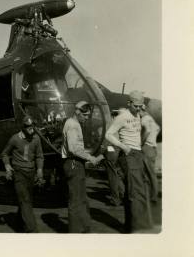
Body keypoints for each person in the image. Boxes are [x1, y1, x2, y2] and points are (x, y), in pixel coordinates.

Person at [105, 90, 153, 232]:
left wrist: (140, 144)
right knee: (135, 193)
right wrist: (123, 147)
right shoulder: (122, 117)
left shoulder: (139, 115)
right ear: (129, 103)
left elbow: (147, 131)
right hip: (128, 155)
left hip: (137, 153)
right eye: (136, 106)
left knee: (137, 192)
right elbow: (108, 134)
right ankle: (137, 229)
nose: (138, 108)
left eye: (141, 106)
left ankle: (130, 226)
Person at [61, 101, 104, 233]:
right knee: (76, 200)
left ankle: (84, 228)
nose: (87, 118)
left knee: (81, 198)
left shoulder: (74, 123)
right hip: (73, 164)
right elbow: (74, 149)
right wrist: (92, 158)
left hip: (76, 164)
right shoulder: (73, 125)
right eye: (85, 115)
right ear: (78, 112)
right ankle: (75, 232)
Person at [1, 116, 44, 233]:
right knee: (25, 200)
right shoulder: (15, 139)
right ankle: (32, 230)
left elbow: (39, 156)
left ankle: (19, 225)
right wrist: (7, 167)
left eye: (32, 126)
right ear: (23, 127)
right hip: (19, 173)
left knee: (27, 200)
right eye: (28, 127)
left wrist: (40, 170)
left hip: (31, 173)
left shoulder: (36, 139)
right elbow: (4, 154)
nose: (31, 129)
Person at [140, 104, 161, 202]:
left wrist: (141, 142)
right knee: (151, 173)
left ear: (141, 110)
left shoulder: (144, 119)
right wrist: (153, 138)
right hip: (153, 148)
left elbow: (147, 131)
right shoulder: (151, 120)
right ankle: (152, 194)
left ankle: (151, 196)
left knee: (146, 173)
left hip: (147, 147)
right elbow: (158, 129)